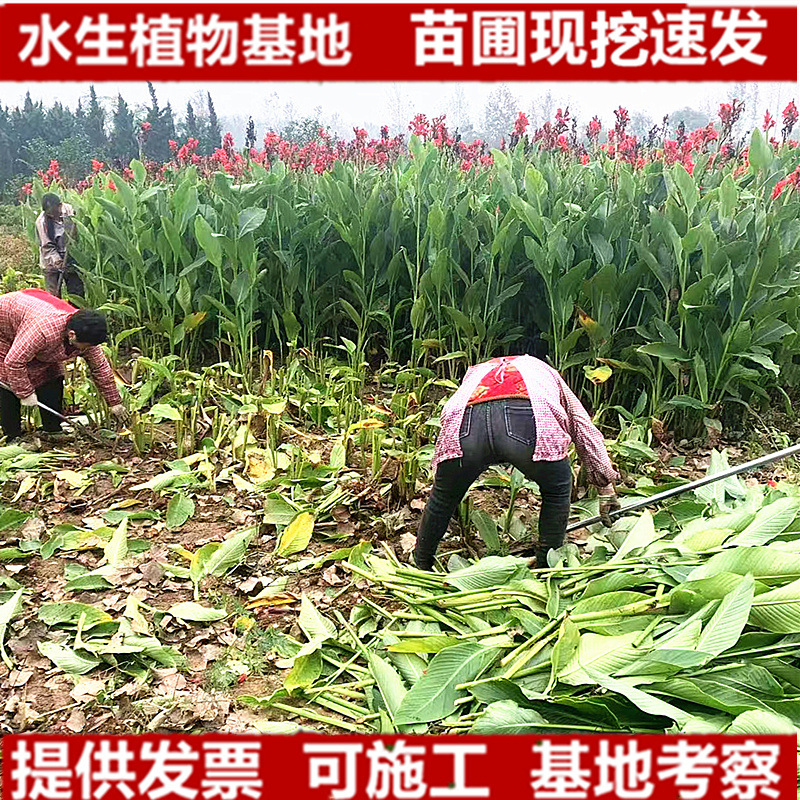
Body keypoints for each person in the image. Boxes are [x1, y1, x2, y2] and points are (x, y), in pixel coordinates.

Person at [414, 354, 621, 570]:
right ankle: (545, 569)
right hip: (524, 416)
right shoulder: (545, 371)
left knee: (443, 497)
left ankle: (420, 563)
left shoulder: (477, 372)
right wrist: (605, 488)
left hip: (466, 421)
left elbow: (449, 413)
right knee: (557, 489)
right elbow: (581, 426)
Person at [0, 288, 128, 441]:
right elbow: (14, 362)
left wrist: (114, 403)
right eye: (85, 346)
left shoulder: (86, 334)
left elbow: (100, 368)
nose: (87, 350)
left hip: (30, 319)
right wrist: (25, 393)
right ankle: (13, 435)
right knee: (6, 380)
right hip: (5, 327)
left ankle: (52, 430)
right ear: (72, 335)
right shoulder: (43, 331)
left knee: (52, 375)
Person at [35, 193, 84, 298]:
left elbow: (77, 232)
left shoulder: (70, 212)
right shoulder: (41, 222)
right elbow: (47, 246)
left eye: (53, 211)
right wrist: (58, 262)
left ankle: (75, 311)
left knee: (76, 292)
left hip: (70, 256)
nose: (52, 215)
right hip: (50, 261)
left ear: (59, 205)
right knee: (53, 295)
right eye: (49, 214)